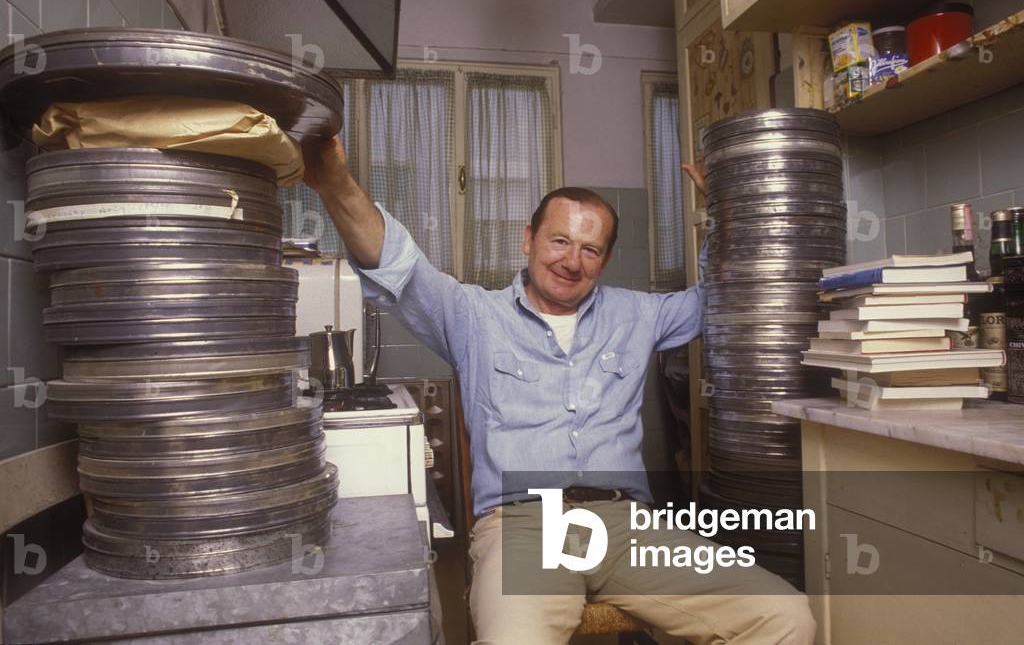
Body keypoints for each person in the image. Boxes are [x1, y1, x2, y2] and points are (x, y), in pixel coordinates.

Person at [304, 137, 816, 645]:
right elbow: (396, 265)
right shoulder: (474, 315)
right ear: (528, 239)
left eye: (590, 249)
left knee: (785, 616)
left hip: (629, 529)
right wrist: (336, 184)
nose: (572, 261)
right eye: (559, 241)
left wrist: (722, 208)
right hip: (524, 527)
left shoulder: (638, 315)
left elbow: (725, 295)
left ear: (605, 260)